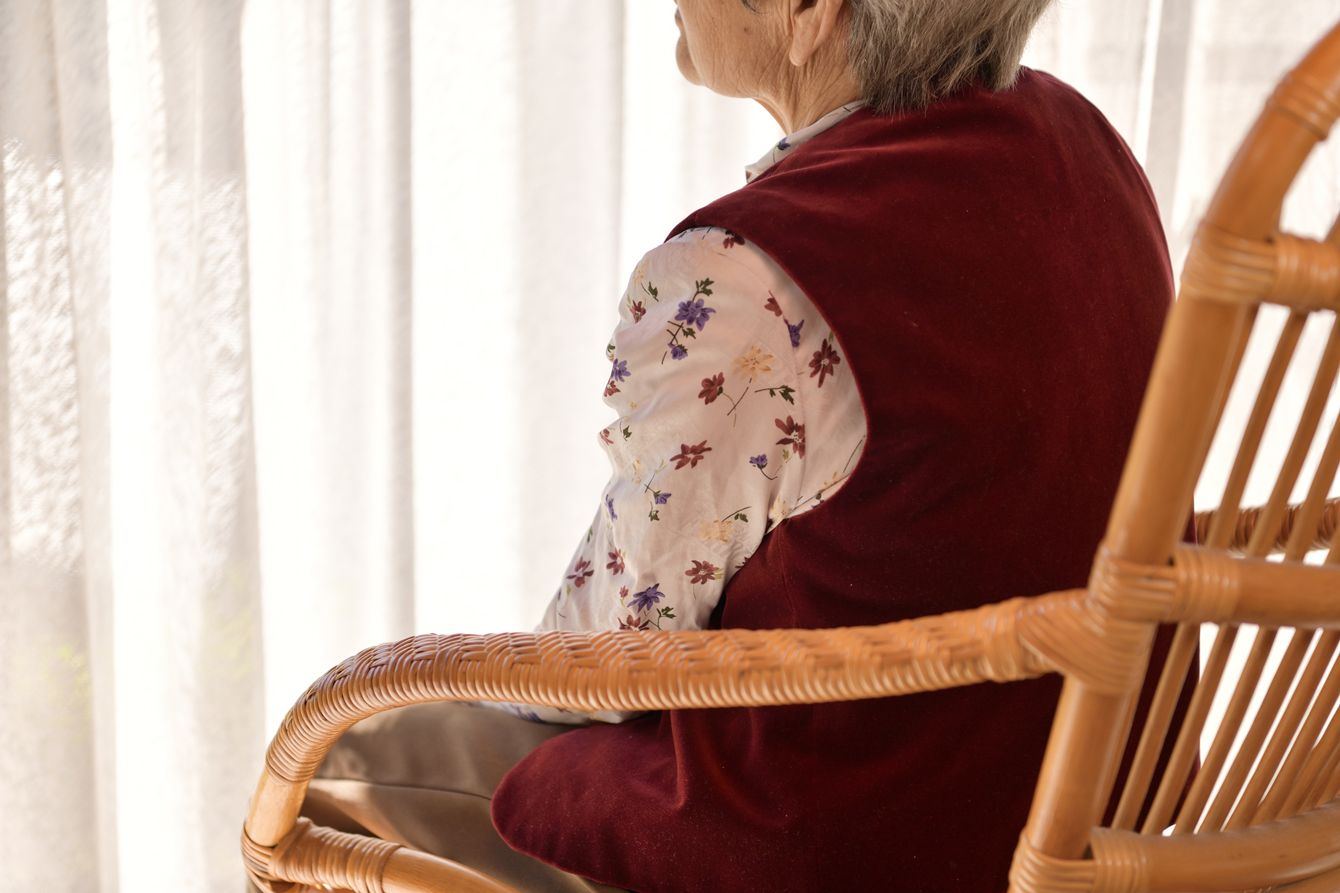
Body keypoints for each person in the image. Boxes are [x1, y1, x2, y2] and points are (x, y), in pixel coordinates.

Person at [276, 0, 1177, 890]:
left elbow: (604, 660)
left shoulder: (747, 276)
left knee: (341, 765)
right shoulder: (1089, 148)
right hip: (1093, 819)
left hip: (845, 848)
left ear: (807, 9)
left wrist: (471, 682)